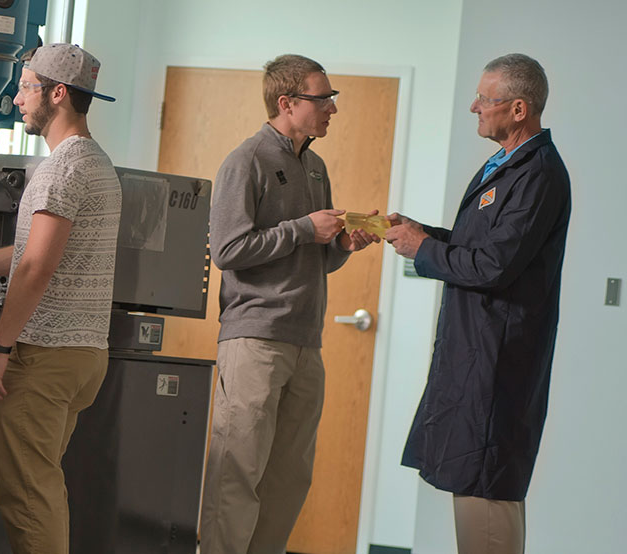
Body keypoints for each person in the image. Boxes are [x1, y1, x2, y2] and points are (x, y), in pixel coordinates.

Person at [0, 42, 122, 554]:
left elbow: (36, 266)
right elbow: (32, 252)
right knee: (42, 486)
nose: (15, 100)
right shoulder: (95, 162)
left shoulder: (61, 169)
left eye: (26, 87)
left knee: (28, 496)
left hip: (45, 357)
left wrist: (1, 346)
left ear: (58, 94)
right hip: (83, 356)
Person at [384, 53, 569, 554]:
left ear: (517, 109)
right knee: (474, 491)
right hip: (476, 354)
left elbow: (493, 266)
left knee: (486, 494)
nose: (474, 107)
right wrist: (422, 233)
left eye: (484, 100)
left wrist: (422, 250)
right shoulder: (506, 167)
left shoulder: (538, 175)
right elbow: (479, 246)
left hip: (496, 361)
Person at [197, 54, 379, 554]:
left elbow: (312, 260)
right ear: (287, 103)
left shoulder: (315, 167)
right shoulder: (246, 160)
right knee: (238, 473)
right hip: (254, 339)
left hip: (306, 342)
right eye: (323, 99)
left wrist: (340, 246)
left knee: (288, 479)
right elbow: (230, 251)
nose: (332, 109)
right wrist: (304, 229)